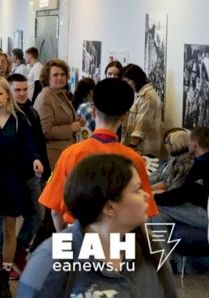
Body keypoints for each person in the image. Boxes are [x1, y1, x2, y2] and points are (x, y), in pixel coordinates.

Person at [19, 154, 177, 298]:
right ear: (109, 207)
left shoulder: (149, 248)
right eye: (137, 190)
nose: (146, 195)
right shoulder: (50, 257)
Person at [38, 78, 158, 232]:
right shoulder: (133, 159)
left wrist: (66, 238)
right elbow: (144, 213)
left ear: (94, 112)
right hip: (118, 236)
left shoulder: (70, 154)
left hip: (78, 231)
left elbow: (55, 210)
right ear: (125, 116)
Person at [0, 77, 40, 297]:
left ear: (7, 95)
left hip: (12, 177)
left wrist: (35, 159)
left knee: (9, 228)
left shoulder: (19, 119)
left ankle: (4, 274)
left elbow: (29, 146)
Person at [153, 126, 209, 231]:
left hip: (204, 213)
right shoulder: (199, 162)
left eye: (189, 140)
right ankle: (158, 242)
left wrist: (154, 197)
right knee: (158, 216)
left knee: (152, 205)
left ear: (194, 143)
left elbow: (183, 193)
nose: (187, 144)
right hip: (196, 207)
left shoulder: (202, 164)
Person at [33, 59, 83, 168]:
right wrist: (71, 128)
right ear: (47, 77)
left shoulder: (60, 93)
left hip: (65, 152)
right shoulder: (45, 97)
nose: (60, 78)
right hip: (53, 156)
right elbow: (46, 131)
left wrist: (77, 121)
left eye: (63, 74)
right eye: (55, 75)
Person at [120, 64, 163, 157]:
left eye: (127, 82)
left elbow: (142, 126)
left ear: (136, 80)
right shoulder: (141, 94)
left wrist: (132, 146)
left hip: (145, 149)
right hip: (141, 148)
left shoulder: (147, 96)